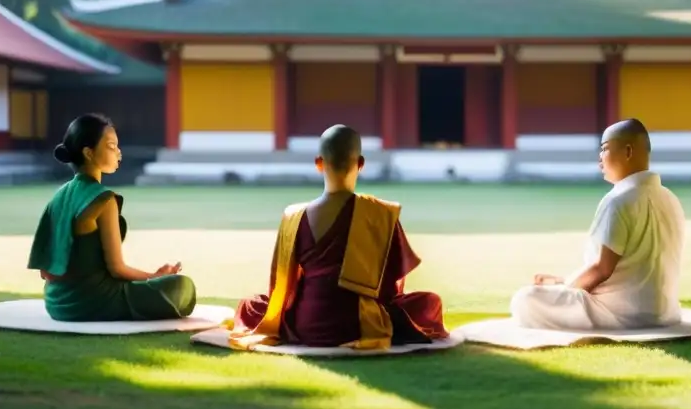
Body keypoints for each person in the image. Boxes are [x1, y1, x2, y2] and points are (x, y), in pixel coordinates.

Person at [229, 124, 449, 350]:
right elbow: (388, 286)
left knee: (251, 305)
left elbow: (282, 286)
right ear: (361, 164)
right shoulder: (379, 213)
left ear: (319, 163)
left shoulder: (293, 217)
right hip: (359, 324)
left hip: (306, 324)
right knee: (429, 302)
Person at [510, 119, 686, 330]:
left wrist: (565, 289)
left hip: (621, 315)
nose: (600, 160)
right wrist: (563, 281)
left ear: (628, 151)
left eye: (604, 149)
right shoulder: (671, 199)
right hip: (666, 314)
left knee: (525, 299)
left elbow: (602, 269)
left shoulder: (619, 200)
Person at [27, 114, 196, 322]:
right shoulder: (103, 199)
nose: (118, 153)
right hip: (91, 302)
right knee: (181, 286)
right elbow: (117, 269)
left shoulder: (59, 195)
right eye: (111, 146)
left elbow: (46, 269)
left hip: (56, 303)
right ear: (89, 153)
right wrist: (156, 277)